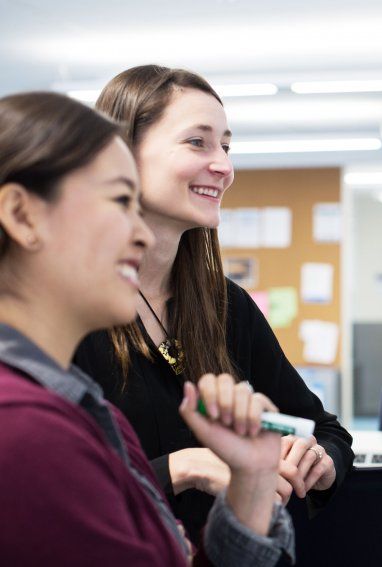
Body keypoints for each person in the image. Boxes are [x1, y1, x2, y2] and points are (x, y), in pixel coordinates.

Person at [0, 91, 293, 565]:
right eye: (119, 200)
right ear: (21, 215)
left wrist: (253, 480)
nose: (138, 233)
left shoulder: (85, 411)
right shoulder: (26, 431)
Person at [72, 64, 354, 545]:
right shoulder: (68, 307)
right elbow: (45, 482)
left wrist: (317, 460)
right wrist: (175, 469)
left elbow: (322, 428)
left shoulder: (226, 306)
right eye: (197, 142)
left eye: (226, 145)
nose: (224, 165)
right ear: (122, 155)